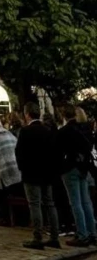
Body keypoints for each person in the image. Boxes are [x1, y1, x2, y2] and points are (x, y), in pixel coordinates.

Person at [15, 102, 61, 250]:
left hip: (31, 173)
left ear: (27, 114)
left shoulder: (25, 131)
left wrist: (22, 168)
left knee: (35, 204)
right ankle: (54, 236)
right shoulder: (47, 131)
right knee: (49, 203)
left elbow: (19, 153)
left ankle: (38, 237)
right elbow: (54, 152)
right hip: (47, 172)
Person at [57, 103, 97, 247]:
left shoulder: (64, 131)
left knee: (75, 202)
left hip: (70, 168)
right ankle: (92, 232)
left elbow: (58, 152)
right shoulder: (84, 129)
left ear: (63, 116)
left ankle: (82, 234)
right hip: (83, 167)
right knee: (86, 201)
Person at [0, 115, 22, 221]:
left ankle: (4, 217)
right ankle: (19, 217)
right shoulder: (9, 133)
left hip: (3, 167)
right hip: (15, 166)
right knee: (16, 191)